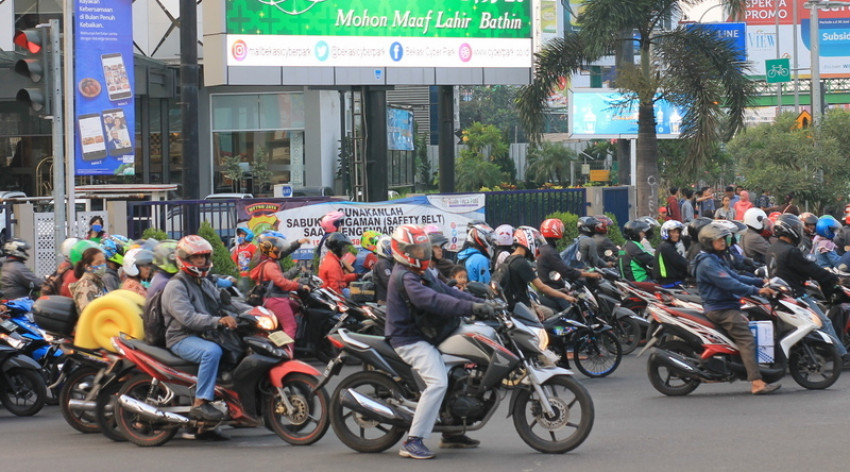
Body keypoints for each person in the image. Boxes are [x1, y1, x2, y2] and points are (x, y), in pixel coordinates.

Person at [385, 225, 490, 459]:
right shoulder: (406, 277)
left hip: (431, 333)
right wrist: (471, 307)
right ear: (403, 251)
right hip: (410, 339)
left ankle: (452, 432)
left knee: (459, 368)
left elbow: (446, 291)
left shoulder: (421, 272)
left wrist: (479, 302)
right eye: (416, 250)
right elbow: (433, 300)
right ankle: (413, 441)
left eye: (423, 249)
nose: (422, 253)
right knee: (438, 382)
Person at [691, 222, 781, 395]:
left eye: (723, 239)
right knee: (746, 339)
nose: (723, 242)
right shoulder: (708, 263)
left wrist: (760, 282)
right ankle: (756, 382)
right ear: (708, 242)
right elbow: (730, 283)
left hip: (726, 304)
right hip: (721, 309)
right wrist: (756, 290)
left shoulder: (716, 258)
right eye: (718, 239)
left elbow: (735, 276)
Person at [162, 236, 237, 422]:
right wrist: (218, 321)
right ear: (184, 259)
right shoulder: (176, 286)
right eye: (196, 257)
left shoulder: (202, 281)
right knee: (211, 352)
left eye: (203, 256)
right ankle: (200, 402)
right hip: (181, 337)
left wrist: (253, 311)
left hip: (203, 333)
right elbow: (188, 318)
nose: (201, 261)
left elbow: (223, 302)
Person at [765, 214, 850, 362]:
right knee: (824, 322)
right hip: (795, 295)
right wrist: (832, 278)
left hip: (780, 295)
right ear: (789, 230)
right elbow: (811, 269)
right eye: (796, 228)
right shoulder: (791, 251)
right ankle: (842, 354)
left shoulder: (772, 248)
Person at [251, 234, 309, 343]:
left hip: (276, 297)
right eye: (278, 249)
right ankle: (288, 351)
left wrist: (298, 242)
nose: (280, 252)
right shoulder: (270, 265)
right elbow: (281, 282)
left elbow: (284, 252)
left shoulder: (268, 260)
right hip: (276, 299)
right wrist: (299, 285)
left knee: (298, 307)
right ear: (271, 251)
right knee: (291, 326)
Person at [536, 222, 600, 312]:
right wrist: (590, 275)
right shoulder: (550, 252)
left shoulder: (544, 249)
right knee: (574, 312)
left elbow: (560, 267)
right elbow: (566, 271)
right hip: (555, 290)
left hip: (551, 288)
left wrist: (581, 270)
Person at [69, 247, 108, 314]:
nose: (103, 265)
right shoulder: (85, 286)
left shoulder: (97, 282)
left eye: (104, 262)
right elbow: (88, 313)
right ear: (88, 267)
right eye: (98, 263)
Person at [318, 232, 358, 297]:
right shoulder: (333, 264)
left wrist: (357, 276)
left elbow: (340, 278)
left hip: (333, 292)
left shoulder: (331, 259)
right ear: (338, 248)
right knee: (363, 296)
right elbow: (335, 290)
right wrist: (342, 302)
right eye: (344, 247)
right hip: (335, 294)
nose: (346, 250)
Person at [653, 220, 688, 287]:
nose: (676, 235)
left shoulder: (664, 245)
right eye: (673, 232)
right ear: (666, 233)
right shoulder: (667, 247)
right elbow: (682, 263)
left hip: (667, 282)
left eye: (677, 232)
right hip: (671, 283)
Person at [230, 227, 256, 293]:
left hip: (249, 276)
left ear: (248, 236)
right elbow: (233, 261)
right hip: (240, 276)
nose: (239, 237)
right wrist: (236, 267)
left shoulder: (252, 247)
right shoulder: (237, 248)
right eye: (239, 236)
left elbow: (255, 261)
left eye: (242, 235)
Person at [372, 236, 394, 304]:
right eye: (389, 248)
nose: (391, 251)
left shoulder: (387, 262)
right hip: (384, 300)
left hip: (389, 299)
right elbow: (389, 282)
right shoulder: (383, 263)